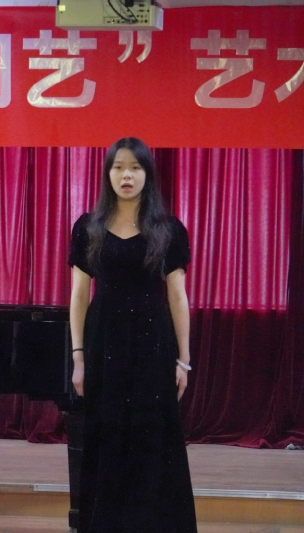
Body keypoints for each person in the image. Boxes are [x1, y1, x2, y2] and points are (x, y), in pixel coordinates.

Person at [68, 138, 198, 532]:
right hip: (102, 342)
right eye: (119, 167)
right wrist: (78, 356)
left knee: (152, 437)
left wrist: (183, 360)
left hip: (152, 344)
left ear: (147, 174)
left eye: (136, 168)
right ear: (108, 174)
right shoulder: (88, 227)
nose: (127, 175)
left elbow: (177, 297)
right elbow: (78, 295)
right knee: (106, 434)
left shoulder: (168, 229)